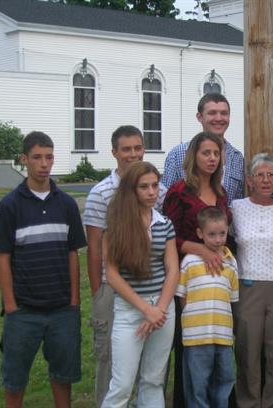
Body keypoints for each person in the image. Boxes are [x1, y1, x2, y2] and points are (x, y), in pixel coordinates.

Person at [0, 131, 87, 408]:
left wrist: (74, 301)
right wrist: (10, 305)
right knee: (15, 379)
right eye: (37, 157)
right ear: (24, 160)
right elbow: (3, 256)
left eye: (49, 157)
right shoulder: (10, 205)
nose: (44, 163)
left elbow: (72, 253)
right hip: (24, 310)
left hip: (62, 310)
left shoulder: (66, 204)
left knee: (62, 375)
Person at [83, 125, 166, 406]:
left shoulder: (158, 189)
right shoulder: (101, 193)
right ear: (114, 152)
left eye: (137, 148)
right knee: (112, 367)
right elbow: (94, 248)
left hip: (152, 287)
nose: (133, 154)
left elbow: (159, 237)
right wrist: (99, 292)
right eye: (126, 149)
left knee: (152, 370)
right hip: (113, 286)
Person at [163, 131, 232, 408]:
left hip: (217, 283)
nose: (212, 158)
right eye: (206, 153)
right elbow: (167, 237)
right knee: (190, 348)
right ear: (194, 156)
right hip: (187, 281)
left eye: (216, 153)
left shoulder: (221, 193)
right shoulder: (180, 191)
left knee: (219, 352)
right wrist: (199, 248)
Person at [101, 161, 178, 407]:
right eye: (144, 187)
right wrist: (147, 310)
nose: (151, 192)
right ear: (131, 190)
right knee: (122, 385)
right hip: (130, 310)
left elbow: (172, 269)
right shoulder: (116, 225)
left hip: (163, 309)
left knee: (153, 380)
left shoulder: (164, 223)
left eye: (155, 185)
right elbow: (112, 274)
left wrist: (160, 309)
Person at [231, 153, 273, 407]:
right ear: (249, 180)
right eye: (260, 175)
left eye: (271, 175)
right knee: (247, 348)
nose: (266, 180)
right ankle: (248, 401)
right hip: (247, 284)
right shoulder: (236, 207)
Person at [176, 206, 239, 408]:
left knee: (225, 379)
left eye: (222, 233)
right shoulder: (189, 261)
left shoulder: (231, 262)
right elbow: (182, 297)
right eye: (212, 234)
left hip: (222, 334)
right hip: (196, 335)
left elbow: (231, 299)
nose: (218, 239)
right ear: (200, 233)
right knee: (197, 383)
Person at [162, 93, 244, 205]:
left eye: (224, 113)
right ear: (199, 117)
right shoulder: (177, 154)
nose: (219, 118)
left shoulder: (237, 158)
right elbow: (165, 200)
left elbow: (238, 202)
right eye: (212, 113)